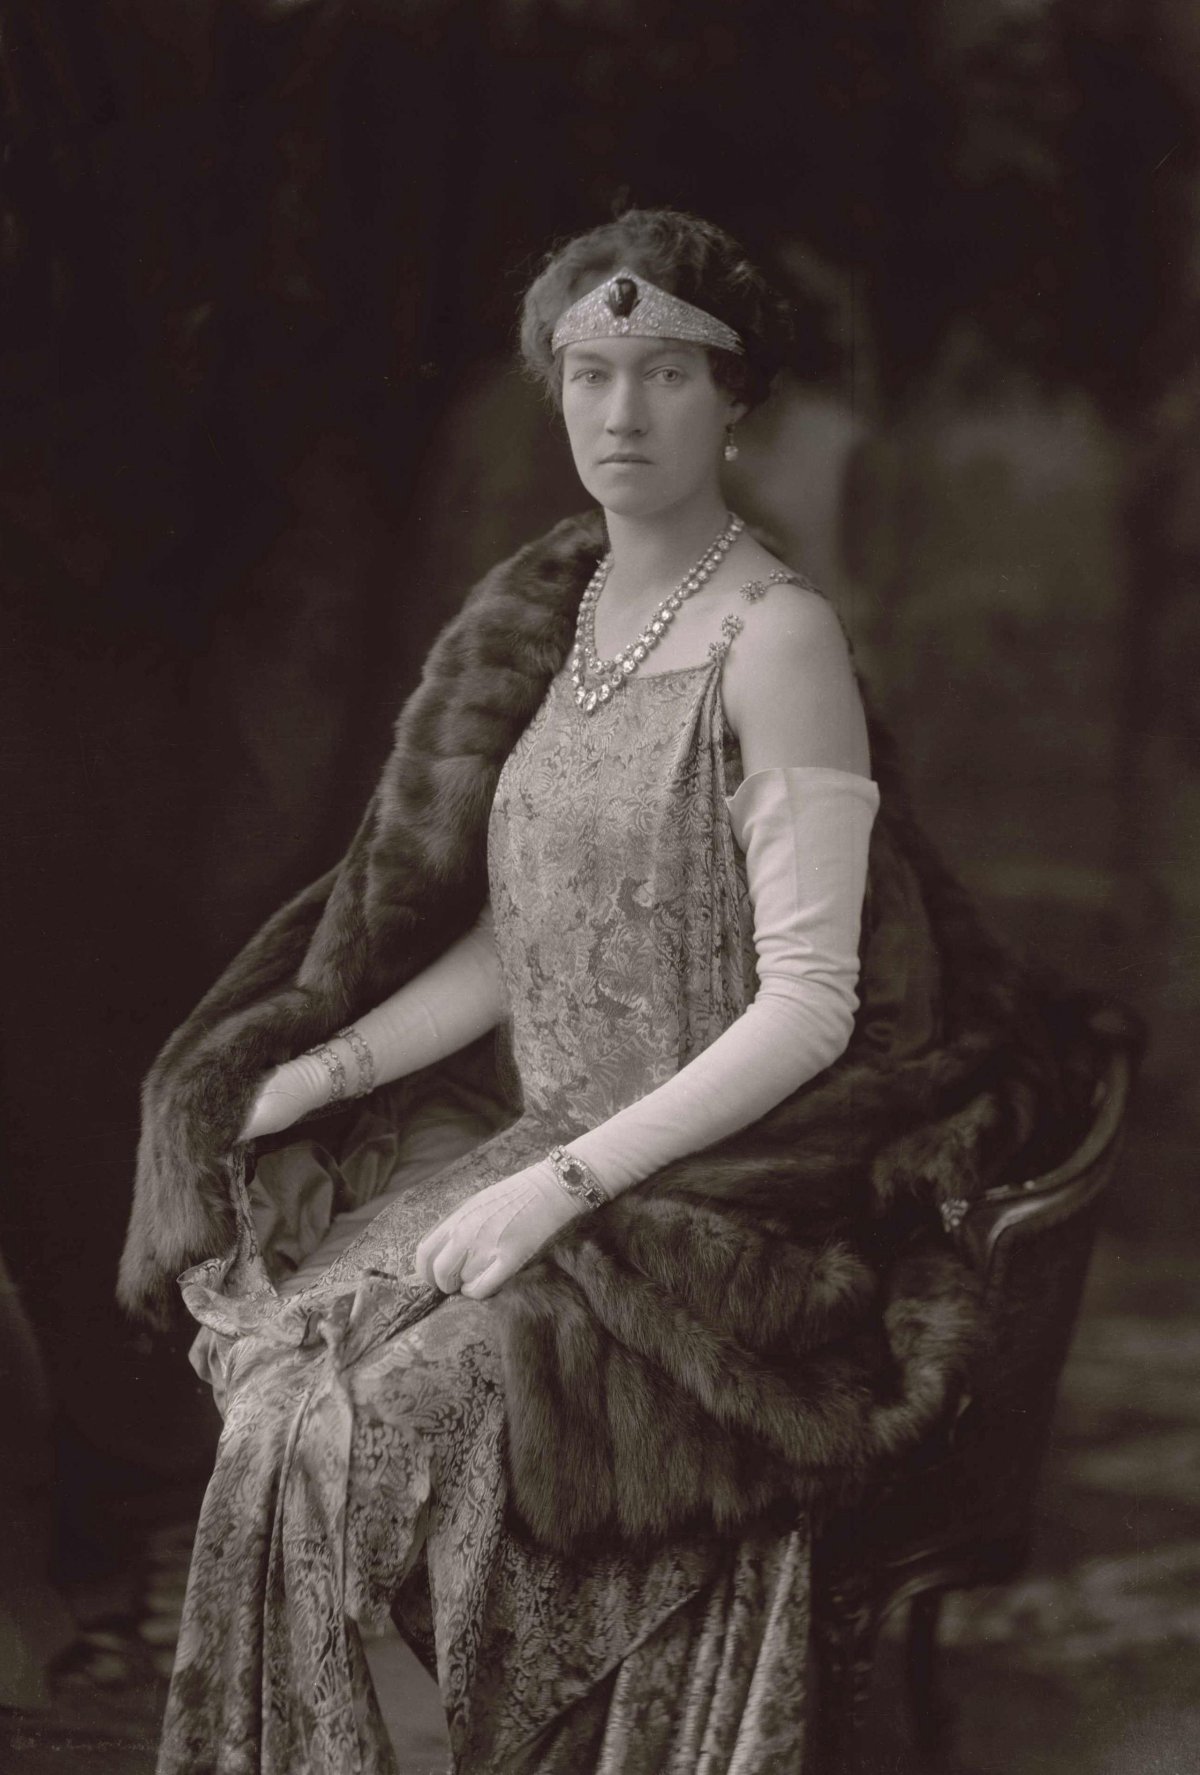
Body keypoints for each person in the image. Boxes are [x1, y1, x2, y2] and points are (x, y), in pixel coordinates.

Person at [118, 208, 1101, 1773]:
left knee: (363, 1430)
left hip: (711, 1197)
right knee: (286, 1397)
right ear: (555, 390)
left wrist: (564, 1186)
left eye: (666, 373)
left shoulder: (778, 642)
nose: (623, 413)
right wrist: (331, 1069)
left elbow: (812, 1002)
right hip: (551, 1146)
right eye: (590, 373)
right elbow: (528, 936)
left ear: (737, 403)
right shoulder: (560, 619)